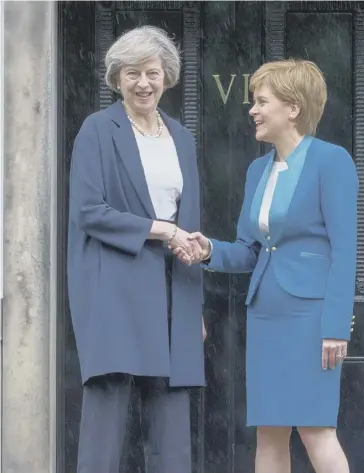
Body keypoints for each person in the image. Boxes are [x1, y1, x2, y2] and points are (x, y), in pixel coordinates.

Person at [174, 59, 358, 473]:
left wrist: (334, 326)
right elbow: (250, 250)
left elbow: (345, 251)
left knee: (315, 428)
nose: (252, 110)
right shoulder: (257, 170)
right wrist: (208, 251)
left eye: (261, 102)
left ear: (292, 108)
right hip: (265, 314)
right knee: (269, 430)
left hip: (311, 318)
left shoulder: (333, 161)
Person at [67, 26, 206, 473]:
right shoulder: (97, 130)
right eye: (133, 73)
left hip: (172, 284)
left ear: (167, 75)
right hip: (115, 279)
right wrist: (161, 231)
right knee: (106, 414)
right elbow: (89, 211)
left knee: (171, 420)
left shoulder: (182, 138)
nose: (144, 82)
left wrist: (193, 300)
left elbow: (189, 221)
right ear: (117, 78)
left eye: (152, 72)